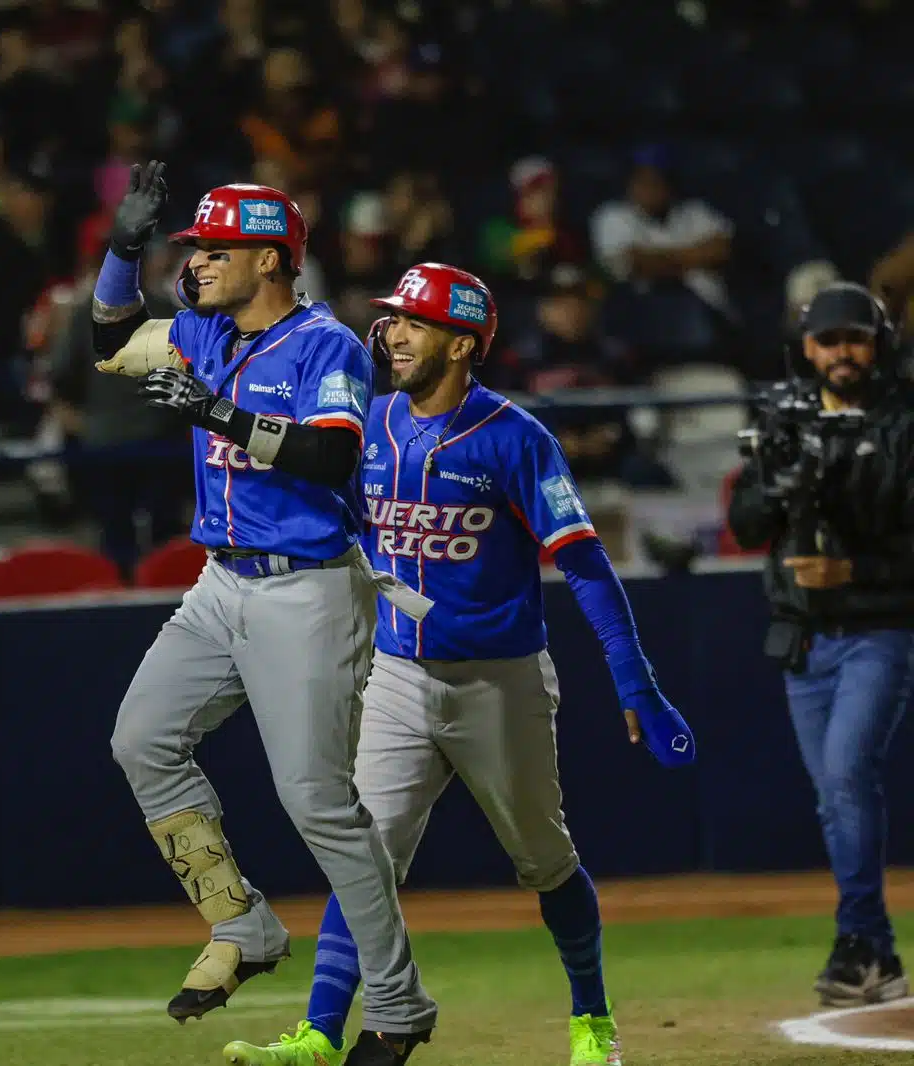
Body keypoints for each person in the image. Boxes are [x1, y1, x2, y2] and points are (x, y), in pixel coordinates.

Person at [221, 264, 695, 1066]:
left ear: (463, 341)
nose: (392, 334)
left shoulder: (516, 437)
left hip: (498, 683)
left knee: (545, 863)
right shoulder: (364, 425)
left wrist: (635, 680)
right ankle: (318, 1034)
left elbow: (585, 564)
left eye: (413, 322)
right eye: (391, 320)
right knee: (361, 859)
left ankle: (592, 1023)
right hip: (398, 677)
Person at [93, 162, 436, 1066]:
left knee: (318, 802)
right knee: (141, 739)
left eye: (215, 249)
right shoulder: (204, 330)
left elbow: (330, 458)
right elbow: (109, 333)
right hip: (220, 584)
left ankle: (399, 1005)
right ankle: (240, 923)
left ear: (273, 260)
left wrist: (221, 413)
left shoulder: (327, 344)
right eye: (192, 246)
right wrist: (123, 248)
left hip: (309, 588)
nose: (197, 262)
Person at [726, 281, 914, 1008]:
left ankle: (857, 938)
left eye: (856, 339)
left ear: (878, 344)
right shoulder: (783, 418)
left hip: (879, 629)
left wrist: (855, 568)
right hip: (804, 635)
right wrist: (779, 488)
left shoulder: (903, 420)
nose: (843, 353)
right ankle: (876, 955)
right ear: (807, 348)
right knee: (836, 798)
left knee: (845, 775)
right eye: (830, 341)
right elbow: (745, 525)